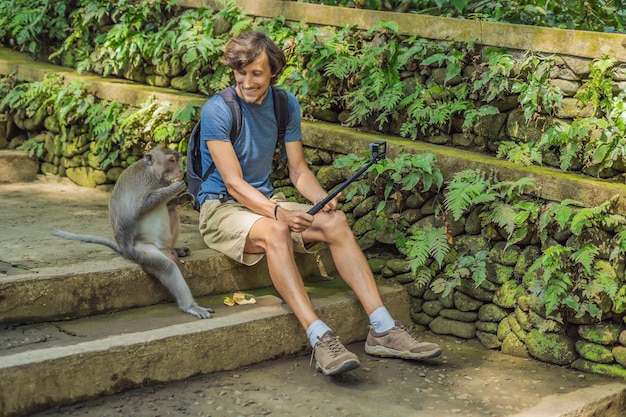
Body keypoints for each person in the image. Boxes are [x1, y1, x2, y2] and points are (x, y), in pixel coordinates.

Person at [197, 30, 442, 376]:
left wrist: (319, 198)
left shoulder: (284, 105)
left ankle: (383, 328)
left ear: (272, 73)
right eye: (241, 72)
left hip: (266, 202)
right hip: (221, 207)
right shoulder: (218, 109)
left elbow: (298, 170)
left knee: (336, 221)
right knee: (278, 231)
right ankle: (319, 336)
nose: (247, 81)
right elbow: (235, 184)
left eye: (256, 73)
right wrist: (279, 212)